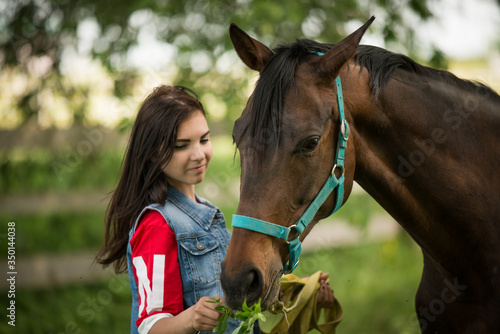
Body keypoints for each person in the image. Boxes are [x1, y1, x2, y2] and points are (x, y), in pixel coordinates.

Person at [96, 85, 337, 334]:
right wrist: (190, 319)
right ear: (152, 154)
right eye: (182, 146)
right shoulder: (157, 224)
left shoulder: (206, 212)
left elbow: (230, 296)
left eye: (204, 139)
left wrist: (297, 291)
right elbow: (150, 326)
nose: (198, 154)